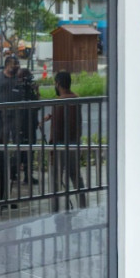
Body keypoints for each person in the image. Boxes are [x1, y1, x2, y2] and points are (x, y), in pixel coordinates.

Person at [46, 71, 86, 211]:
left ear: (58, 84)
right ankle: (83, 206)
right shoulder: (76, 99)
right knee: (75, 175)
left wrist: (52, 146)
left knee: (56, 178)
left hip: (60, 144)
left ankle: (55, 209)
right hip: (74, 142)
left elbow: (56, 128)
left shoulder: (59, 102)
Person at [0, 56, 21, 207]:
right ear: (7, 65)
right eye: (15, 64)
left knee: (9, 158)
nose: (17, 67)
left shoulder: (18, 79)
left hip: (14, 121)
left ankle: (5, 196)